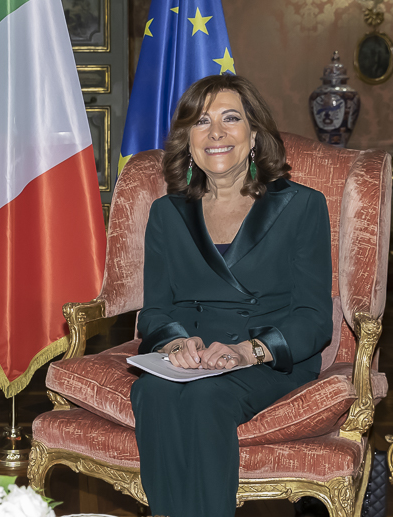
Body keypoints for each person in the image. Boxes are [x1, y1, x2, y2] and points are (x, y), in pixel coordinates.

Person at [130, 75, 332, 517]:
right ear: (189, 140)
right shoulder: (167, 213)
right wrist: (176, 344)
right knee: (152, 393)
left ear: (254, 135)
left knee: (206, 399)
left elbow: (314, 317)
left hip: (267, 358)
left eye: (231, 118)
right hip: (192, 357)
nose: (216, 133)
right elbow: (156, 309)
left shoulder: (302, 206)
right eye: (202, 121)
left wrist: (249, 350)